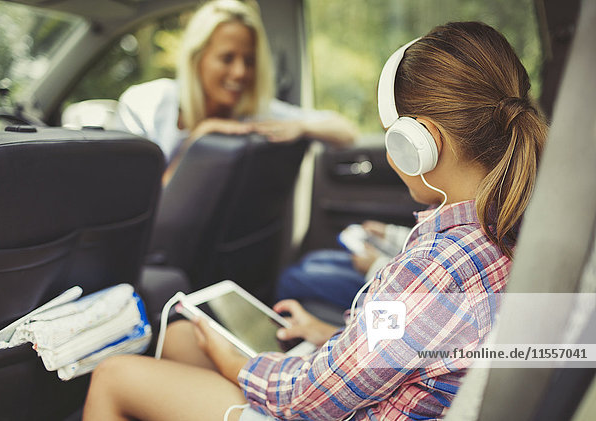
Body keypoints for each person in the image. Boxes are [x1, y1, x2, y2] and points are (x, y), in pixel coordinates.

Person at [83, 21, 547, 420]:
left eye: (393, 137)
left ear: (419, 143)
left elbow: (309, 399)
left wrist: (239, 366)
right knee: (186, 338)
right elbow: (424, 344)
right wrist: (330, 336)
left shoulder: (436, 266)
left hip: (321, 407)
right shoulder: (514, 230)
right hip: (366, 392)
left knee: (114, 375)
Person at [115, 0, 357, 184]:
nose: (241, 72)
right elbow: (136, 203)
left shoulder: (254, 112)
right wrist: (198, 140)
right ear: (197, 58)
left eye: (249, 61)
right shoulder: (148, 104)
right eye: (227, 58)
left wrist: (303, 127)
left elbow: (346, 131)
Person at [275, 221, 411, 310]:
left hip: (389, 283)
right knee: (310, 259)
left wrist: (374, 265)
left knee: (291, 278)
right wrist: (388, 233)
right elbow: (416, 236)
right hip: (390, 262)